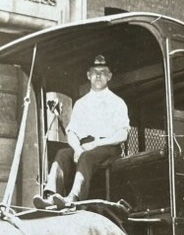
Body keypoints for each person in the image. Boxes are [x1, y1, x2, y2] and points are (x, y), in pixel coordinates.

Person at [33, 55, 130, 210]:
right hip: (84, 147)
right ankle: (51, 196)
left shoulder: (117, 102)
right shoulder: (81, 103)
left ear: (109, 76)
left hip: (108, 147)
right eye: (94, 71)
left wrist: (96, 143)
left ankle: (73, 198)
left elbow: (122, 135)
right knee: (63, 154)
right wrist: (77, 148)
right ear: (88, 75)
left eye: (103, 72)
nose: (98, 75)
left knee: (86, 156)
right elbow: (72, 131)